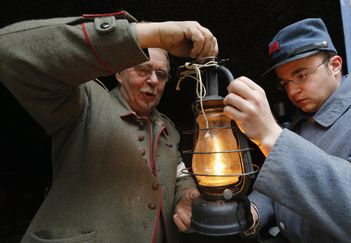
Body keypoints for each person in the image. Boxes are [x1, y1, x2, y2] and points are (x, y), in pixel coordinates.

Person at [0, 11, 217, 243]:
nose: (153, 80)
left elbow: (178, 174)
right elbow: (8, 48)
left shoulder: (168, 129)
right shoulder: (84, 102)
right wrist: (148, 34)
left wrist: (186, 195)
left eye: (161, 74)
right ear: (120, 73)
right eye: (143, 69)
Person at [223, 18, 351, 242]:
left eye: (301, 75)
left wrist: (269, 135)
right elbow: (282, 186)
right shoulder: (298, 126)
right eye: (284, 83)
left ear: (335, 65)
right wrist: (252, 212)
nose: (292, 91)